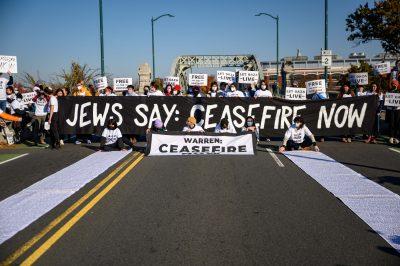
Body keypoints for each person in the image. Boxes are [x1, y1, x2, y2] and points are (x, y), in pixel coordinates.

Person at [387, 80, 400, 144]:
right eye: (393, 84)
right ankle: (391, 137)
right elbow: (386, 101)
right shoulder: (389, 92)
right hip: (391, 109)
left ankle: (396, 137)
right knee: (391, 123)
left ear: (397, 85)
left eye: (395, 84)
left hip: (397, 109)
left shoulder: (399, 92)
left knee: (397, 123)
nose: (394, 85)